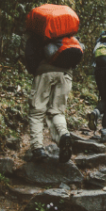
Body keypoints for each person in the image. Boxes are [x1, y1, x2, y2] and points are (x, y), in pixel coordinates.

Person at [23, 29, 74, 164]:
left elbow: (29, 55)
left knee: (36, 112)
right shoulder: (67, 32)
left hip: (44, 73)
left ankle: (38, 148)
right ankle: (64, 135)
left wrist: (35, 70)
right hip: (65, 74)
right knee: (57, 111)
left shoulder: (38, 34)